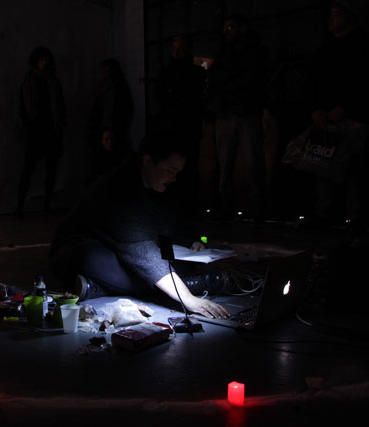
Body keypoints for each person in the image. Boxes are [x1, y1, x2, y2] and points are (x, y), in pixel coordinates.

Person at [49, 133, 229, 319]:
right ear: (147, 161)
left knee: (172, 266)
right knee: (94, 258)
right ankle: (192, 283)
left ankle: (97, 288)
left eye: (177, 172)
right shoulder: (118, 187)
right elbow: (142, 253)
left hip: (128, 252)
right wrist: (188, 298)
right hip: (82, 249)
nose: (173, 178)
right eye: (170, 170)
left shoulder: (159, 187)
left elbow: (171, 228)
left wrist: (191, 242)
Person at [308, 1, 368, 234]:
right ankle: (325, 214)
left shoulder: (361, 46)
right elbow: (314, 82)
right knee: (324, 166)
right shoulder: (325, 48)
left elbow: (360, 82)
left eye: (337, 13)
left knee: (353, 168)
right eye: (330, 14)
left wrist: (344, 108)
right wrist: (315, 109)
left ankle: (356, 217)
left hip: (353, 118)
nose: (331, 18)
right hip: (326, 118)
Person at [207, 14, 268, 222]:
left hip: (243, 111)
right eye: (225, 29)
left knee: (250, 162)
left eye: (230, 28)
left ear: (241, 28)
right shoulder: (228, 53)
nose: (227, 32)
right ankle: (233, 208)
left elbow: (252, 79)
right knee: (231, 163)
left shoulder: (252, 52)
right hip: (231, 112)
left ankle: (252, 209)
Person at [154, 35, 206, 218]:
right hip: (173, 128)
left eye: (179, 49)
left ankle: (186, 209)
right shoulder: (169, 74)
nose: (176, 53)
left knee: (188, 169)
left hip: (187, 128)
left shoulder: (194, 74)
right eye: (174, 49)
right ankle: (175, 208)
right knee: (172, 168)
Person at [17, 46, 67, 216]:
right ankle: (19, 206)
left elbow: (60, 106)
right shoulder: (29, 81)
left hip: (51, 131)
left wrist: (59, 127)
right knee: (28, 170)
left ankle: (46, 205)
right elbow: (23, 108)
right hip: (35, 132)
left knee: (51, 170)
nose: (44, 62)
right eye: (42, 59)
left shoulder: (53, 81)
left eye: (46, 59)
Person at [87, 58, 134, 182]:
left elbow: (127, 109)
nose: (104, 73)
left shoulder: (119, 87)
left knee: (116, 157)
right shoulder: (104, 87)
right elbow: (98, 107)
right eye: (103, 71)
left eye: (106, 70)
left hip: (115, 128)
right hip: (105, 128)